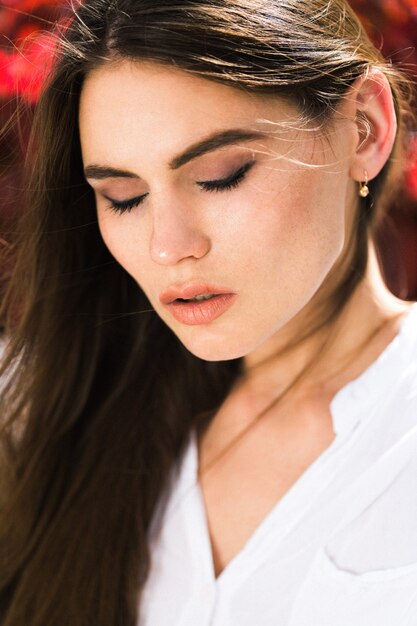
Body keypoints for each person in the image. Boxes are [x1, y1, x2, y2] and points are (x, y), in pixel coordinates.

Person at [0, 0, 416, 624]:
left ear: (364, 127)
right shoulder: (67, 416)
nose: (169, 247)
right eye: (124, 197)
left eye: (222, 176)